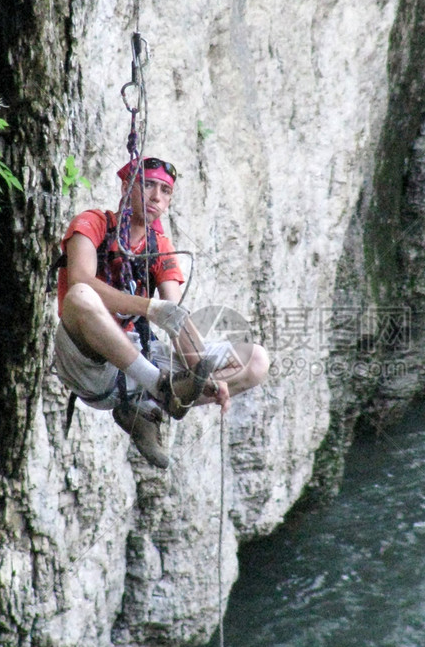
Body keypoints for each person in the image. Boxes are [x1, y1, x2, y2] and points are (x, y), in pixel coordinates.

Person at [54, 154, 268, 469]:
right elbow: (80, 279)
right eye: (148, 185)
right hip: (89, 363)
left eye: (165, 191)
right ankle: (158, 387)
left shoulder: (160, 246)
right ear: (126, 186)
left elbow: (177, 317)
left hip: (139, 355)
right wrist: (151, 308)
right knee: (81, 295)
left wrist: (203, 376)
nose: (157, 197)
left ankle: (149, 403)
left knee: (257, 360)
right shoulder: (93, 223)